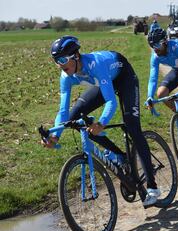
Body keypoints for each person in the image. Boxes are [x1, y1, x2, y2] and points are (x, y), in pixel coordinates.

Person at [41, 35, 160, 206]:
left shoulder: (95, 65)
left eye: (62, 59)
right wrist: (55, 134)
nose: (60, 65)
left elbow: (111, 101)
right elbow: (63, 111)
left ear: (75, 56)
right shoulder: (66, 75)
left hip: (124, 77)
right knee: (75, 118)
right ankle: (121, 155)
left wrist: (102, 123)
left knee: (133, 126)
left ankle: (152, 186)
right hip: (105, 81)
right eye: (56, 61)